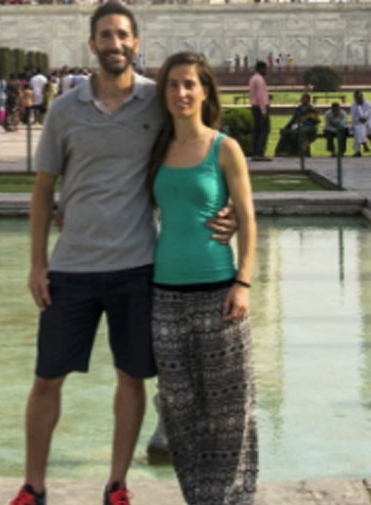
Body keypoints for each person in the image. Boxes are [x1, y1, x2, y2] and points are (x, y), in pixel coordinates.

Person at [13, 4, 235, 505]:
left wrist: (235, 210)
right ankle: (33, 485)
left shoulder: (156, 102)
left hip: (138, 266)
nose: (114, 43)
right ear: (92, 44)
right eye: (105, 36)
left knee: (130, 378)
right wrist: (37, 262)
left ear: (136, 42)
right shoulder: (65, 109)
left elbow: (206, 146)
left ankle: (116, 483)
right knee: (47, 378)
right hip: (71, 266)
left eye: (122, 35)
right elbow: (43, 187)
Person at [148, 51, 258, 505]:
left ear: (206, 91)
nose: (181, 92)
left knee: (230, 412)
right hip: (165, 296)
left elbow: (249, 220)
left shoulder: (224, 147)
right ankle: (199, 498)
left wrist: (244, 282)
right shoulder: (156, 148)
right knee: (179, 410)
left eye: (190, 84)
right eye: (173, 85)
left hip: (220, 292)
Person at [276, 93, 319, 157]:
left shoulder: (311, 110)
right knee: (286, 132)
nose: (302, 100)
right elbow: (293, 119)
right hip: (297, 126)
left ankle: (300, 151)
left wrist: (303, 125)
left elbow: (315, 121)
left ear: (308, 100)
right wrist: (286, 127)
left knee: (299, 132)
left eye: (303, 99)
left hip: (309, 128)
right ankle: (285, 151)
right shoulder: (299, 109)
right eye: (301, 99)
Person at [248, 61, 271, 161]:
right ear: (261, 69)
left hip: (254, 107)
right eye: (265, 69)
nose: (266, 71)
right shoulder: (260, 80)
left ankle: (255, 153)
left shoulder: (253, 78)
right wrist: (264, 111)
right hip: (260, 108)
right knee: (264, 130)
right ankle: (260, 153)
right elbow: (261, 97)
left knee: (257, 130)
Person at [350, 90, 371, 157]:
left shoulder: (367, 104)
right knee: (358, 129)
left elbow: (368, 115)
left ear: (362, 97)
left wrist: (363, 119)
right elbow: (354, 117)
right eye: (356, 98)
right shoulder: (354, 106)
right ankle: (364, 144)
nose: (358, 100)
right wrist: (359, 119)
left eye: (360, 97)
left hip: (369, 124)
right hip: (358, 124)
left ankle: (359, 149)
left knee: (359, 129)